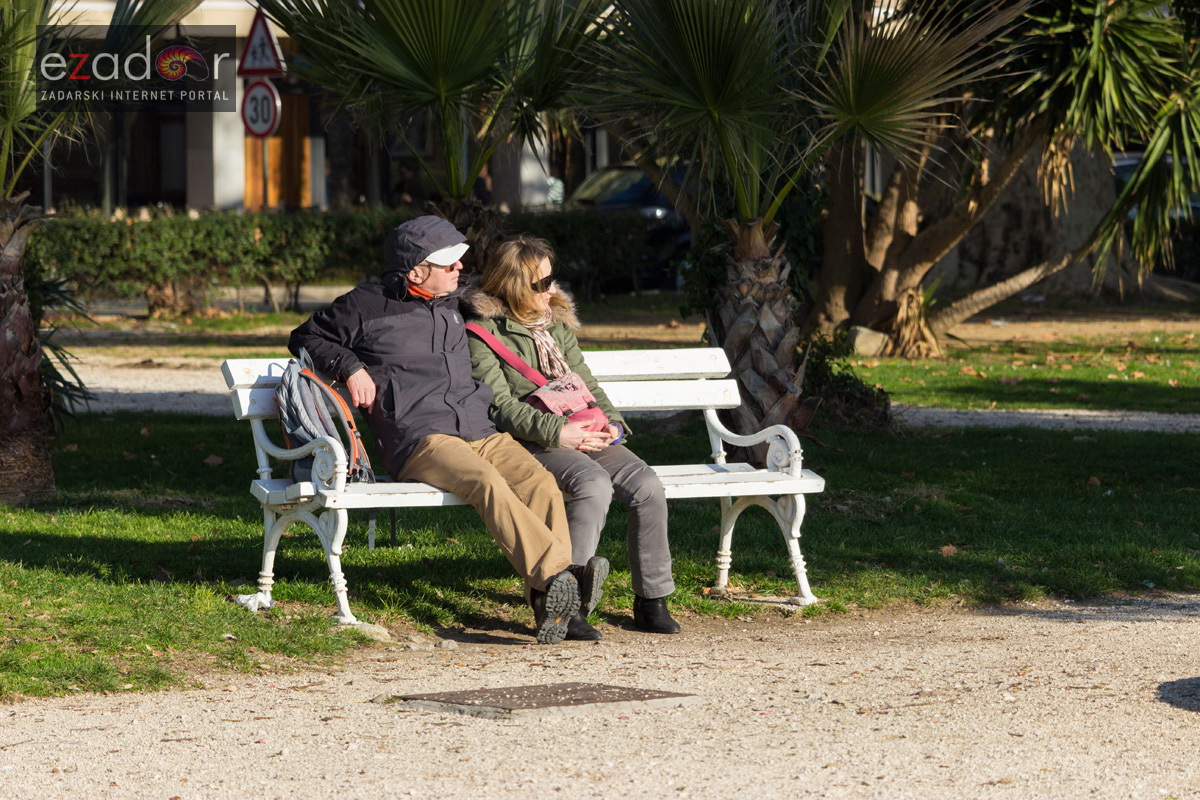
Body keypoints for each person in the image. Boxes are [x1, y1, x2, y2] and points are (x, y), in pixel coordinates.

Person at [288, 216, 607, 645]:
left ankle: (549, 607)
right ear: (416, 270)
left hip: (478, 427)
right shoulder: (364, 304)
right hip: (419, 438)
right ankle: (561, 576)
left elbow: (513, 294)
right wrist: (351, 367)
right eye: (449, 265)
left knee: (540, 483)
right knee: (485, 482)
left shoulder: (459, 301)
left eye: (460, 263)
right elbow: (306, 337)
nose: (460, 270)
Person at [463, 234, 680, 638]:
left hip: (582, 432)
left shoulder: (556, 323)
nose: (552, 290)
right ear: (513, 285)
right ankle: (564, 599)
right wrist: (559, 433)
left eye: (552, 279)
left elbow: (586, 383)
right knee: (592, 483)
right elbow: (500, 407)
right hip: (528, 441)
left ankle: (652, 598)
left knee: (647, 485)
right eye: (541, 284)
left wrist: (612, 424)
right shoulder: (481, 333)